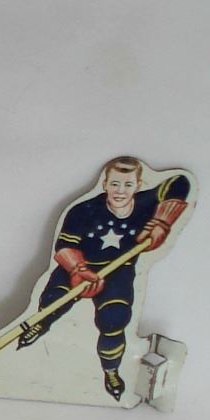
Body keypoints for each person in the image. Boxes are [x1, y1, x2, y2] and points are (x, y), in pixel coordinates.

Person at [17, 156, 188, 399]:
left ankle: (111, 371)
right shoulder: (83, 211)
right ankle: (40, 323)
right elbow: (64, 246)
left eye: (128, 185)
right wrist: (78, 270)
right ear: (105, 184)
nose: (120, 191)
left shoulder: (146, 203)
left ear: (138, 185)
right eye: (115, 184)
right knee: (52, 303)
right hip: (78, 268)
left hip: (118, 271)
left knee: (114, 320)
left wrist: (162, 219)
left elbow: (181, 181)